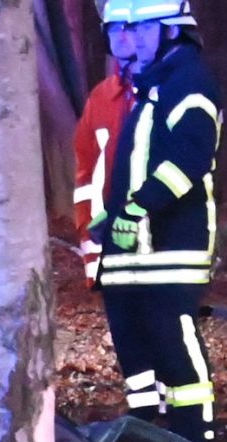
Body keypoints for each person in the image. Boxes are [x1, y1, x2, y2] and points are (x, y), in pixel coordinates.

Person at [90, 0, 224, 442]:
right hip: (132, 254)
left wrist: (139, 206)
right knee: (136, 349)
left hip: (172, 247)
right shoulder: (155, 87)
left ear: (172, 31)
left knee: (175, 347)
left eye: (146, 29)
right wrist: (114, 216)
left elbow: (188, 159)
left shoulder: (190, 84)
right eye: (131, 29)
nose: (134, 39)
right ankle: (148, 436)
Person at [72, 25, 142, 284]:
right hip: (104, 240)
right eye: (113, 30)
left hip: (154, 242)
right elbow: (85, 172)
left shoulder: (169, 93)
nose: (121, 38)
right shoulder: (101, 98)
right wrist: (85, 228)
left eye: (129, 28)